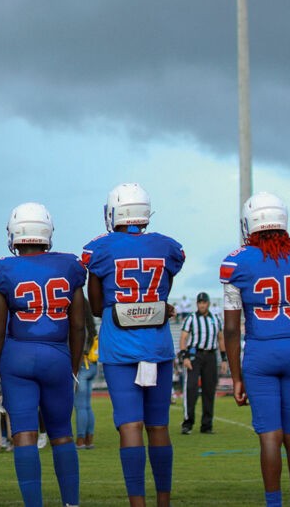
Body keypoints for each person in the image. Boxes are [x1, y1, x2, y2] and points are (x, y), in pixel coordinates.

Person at [82, 182, 184, 507]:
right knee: (158, 426)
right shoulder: (166, 246)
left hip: (120, 347)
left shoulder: (100, 249)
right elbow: (163, 292)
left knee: (129, 426)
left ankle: (137, 503)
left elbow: (97, 307)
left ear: (114, 212)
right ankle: (163, 502)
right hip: (156, 345)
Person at [220, 192, 290, 507]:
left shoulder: (236, 261)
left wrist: (236, 377)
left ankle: (274, 504)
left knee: (270, 437)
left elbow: (231, 328)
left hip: (261, 352)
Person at [0, 202, 87, 507]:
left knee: (24, 435)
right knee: (61, 434)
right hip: (56, 353)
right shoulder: (69, 265)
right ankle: (71, 503)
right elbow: (79, 325)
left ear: (14, 234)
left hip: (17, 355)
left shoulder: (4, 268)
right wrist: (71, 368)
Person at [178, 292, 222, 435]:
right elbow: (184, 338)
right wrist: (184, 356)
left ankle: (207, 425)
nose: (202, 305)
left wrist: (224, 358)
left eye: (204, 302)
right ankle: (187, 422)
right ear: (197, 304)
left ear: (208, 303)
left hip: (210, 355)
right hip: (195, 355)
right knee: (191, 388)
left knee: (209, 390)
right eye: (200, 302)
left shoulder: (216, 318)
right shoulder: (191, 318)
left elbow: (221, 339)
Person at [74, 315, 99, 449]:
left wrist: (75, 370)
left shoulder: (80, 325)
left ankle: (80, 439)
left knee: (80, 406)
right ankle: (89, 439)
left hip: (82, 366)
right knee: (87, 406)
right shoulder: (90, 325)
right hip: (91, 365)